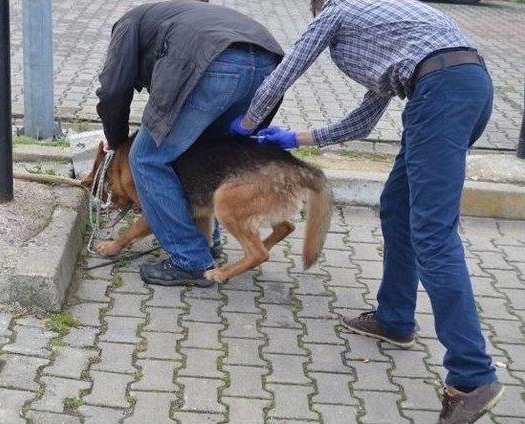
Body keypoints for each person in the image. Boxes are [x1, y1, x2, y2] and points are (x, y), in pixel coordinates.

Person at [230, 0, 502, 422]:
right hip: (467, 88)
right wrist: (292, 138)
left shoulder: (338, 12)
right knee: (396, 206)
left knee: (432, 233)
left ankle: (472, 375)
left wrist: (246, 124)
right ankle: (395, 318)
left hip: (441, 96)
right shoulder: (392, 31)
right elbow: (359, 125)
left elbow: (286, 71)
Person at [96, 0, 283, 287]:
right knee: (206, 156)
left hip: (214, 65)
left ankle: (190, 259)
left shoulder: (127, 25)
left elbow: (112, 90)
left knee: (146, 158)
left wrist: (117, 141)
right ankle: (208, 241)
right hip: (267, 65)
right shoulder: (176, 16)